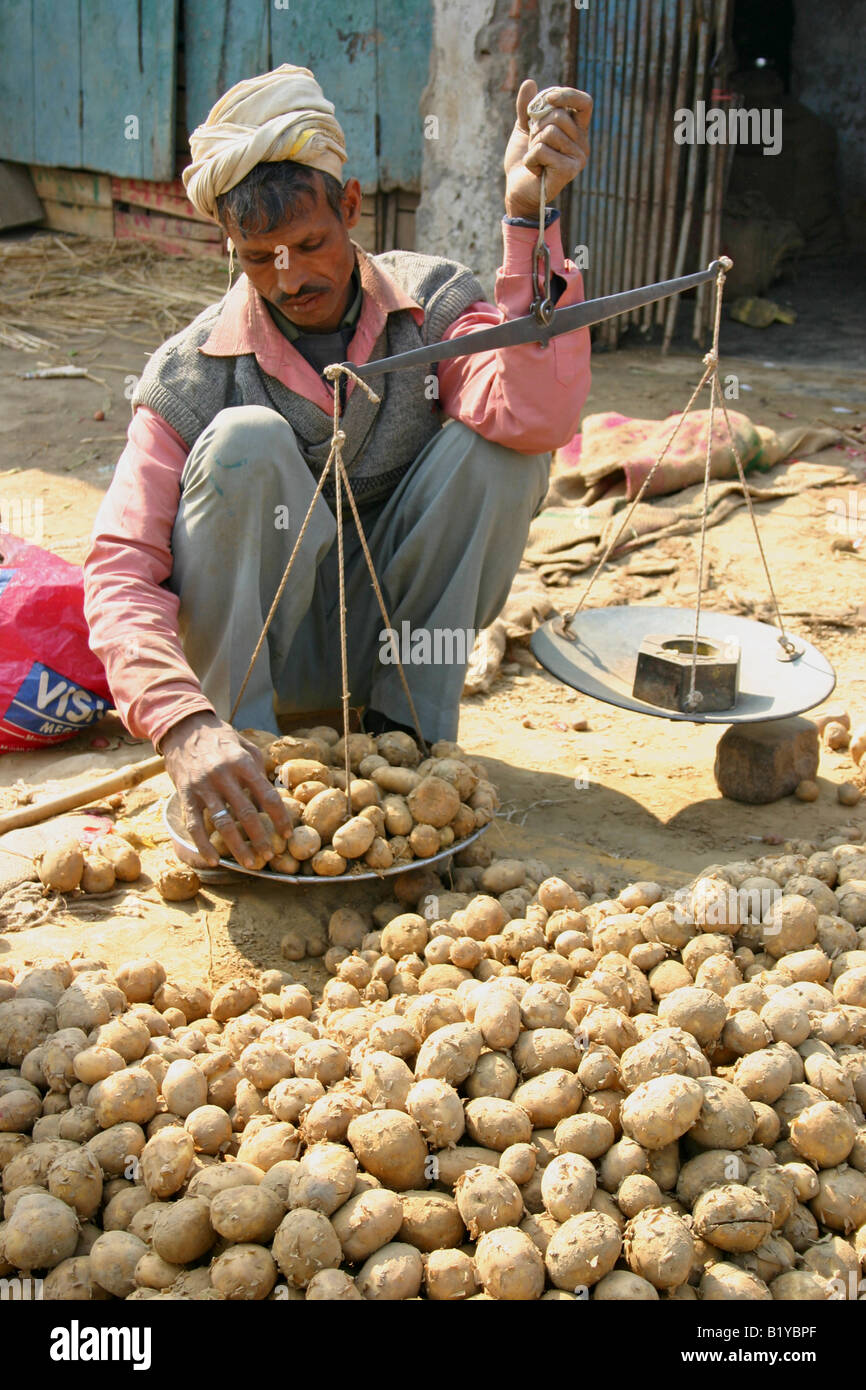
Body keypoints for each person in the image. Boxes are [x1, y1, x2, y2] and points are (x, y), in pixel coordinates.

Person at [83, 63, 592, 870]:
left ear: (351, 208)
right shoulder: (189, 373)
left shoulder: (434, 306)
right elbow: (118, 572)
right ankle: (239, 763)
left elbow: (535, 417)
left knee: (499, 454)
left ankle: (408, 747)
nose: (292, 278)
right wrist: (183, 726)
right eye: (259, 258)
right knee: (245, 441)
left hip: (390, 641)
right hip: (261, 660)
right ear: (230, 250)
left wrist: (528, 217)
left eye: (311, 244)